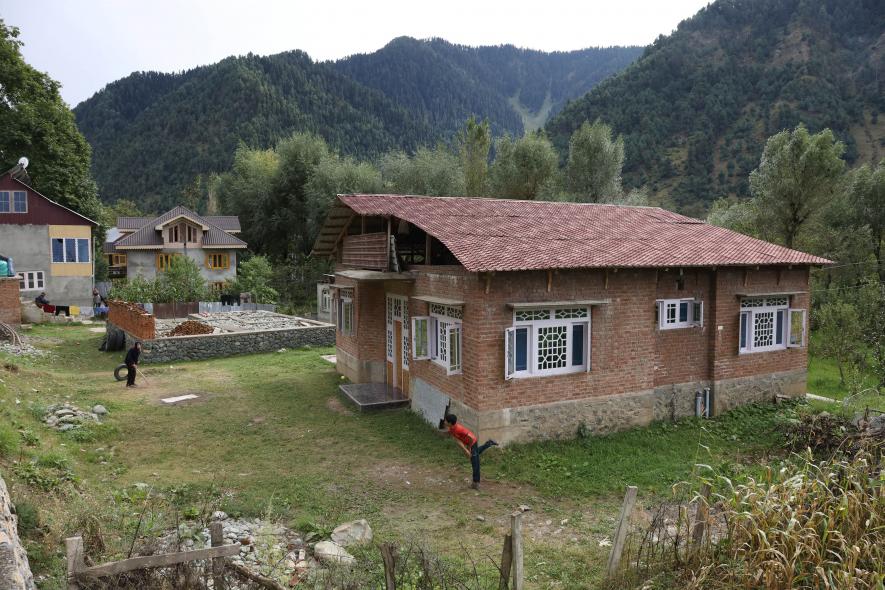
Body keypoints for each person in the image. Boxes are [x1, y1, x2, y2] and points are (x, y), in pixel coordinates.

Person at [443, 414, 497, 490]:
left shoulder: (459, 429)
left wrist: (469, 448)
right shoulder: (451, 429)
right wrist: (465, 450)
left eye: (446, 420)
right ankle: (489, 443)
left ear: (450, 422)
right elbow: (458, 441)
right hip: (468, 443)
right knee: (475, 455)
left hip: (472, 442)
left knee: (475, 463)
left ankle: (476, 483)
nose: (444, 421)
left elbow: (470, 438)